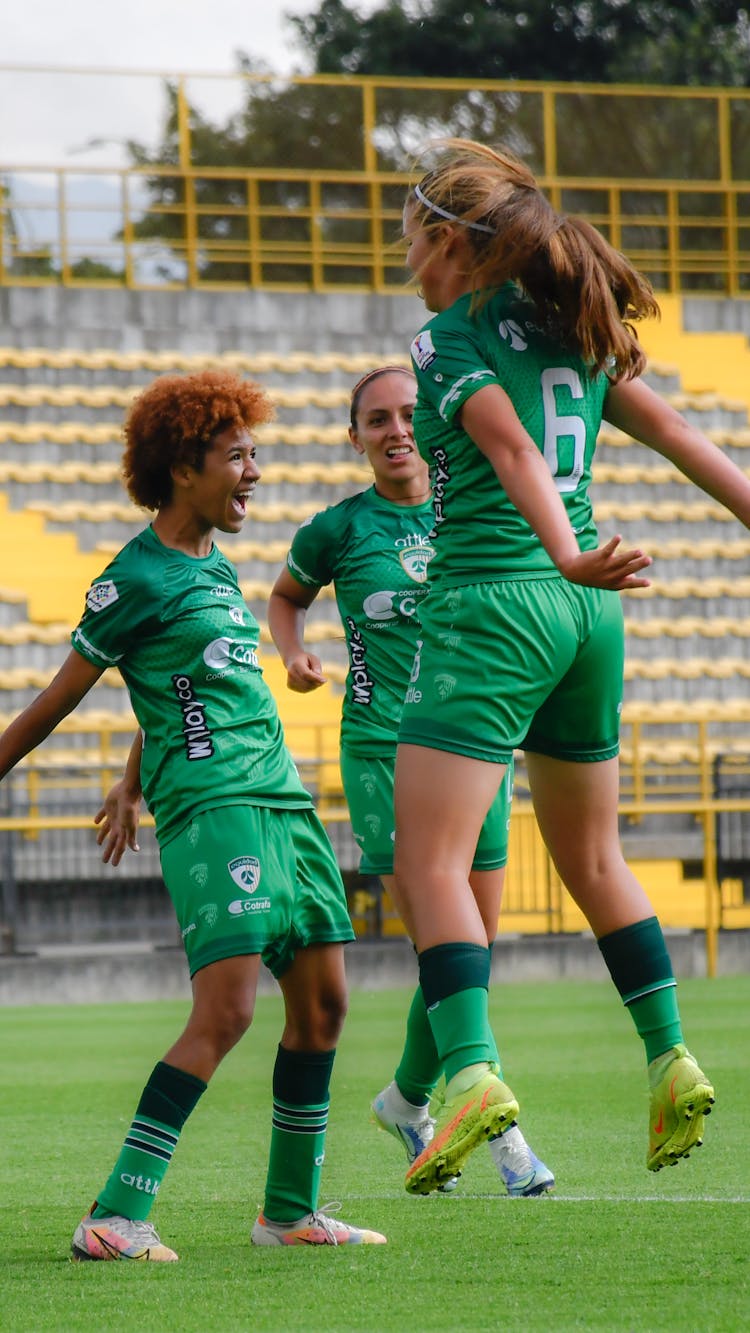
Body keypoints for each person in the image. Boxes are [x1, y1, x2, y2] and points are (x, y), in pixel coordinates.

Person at [387, 137, 750, 1195]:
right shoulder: (577, 330)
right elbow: (682, 432)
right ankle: (670, 1052)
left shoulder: (446, 338)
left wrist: (559, 550)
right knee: (595, 858)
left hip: (499, 601)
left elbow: (509, 449)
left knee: (431, 867)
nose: (405, 248)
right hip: (592, 621)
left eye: (413, 229)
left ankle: (470, 1075)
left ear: (451, 239)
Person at [0, 369, 386, 1256]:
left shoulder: (215, 566)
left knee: (324, 1005)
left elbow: (181, 685)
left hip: (285, 800)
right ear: (183, 466)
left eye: (256, 452)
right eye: (237, 455)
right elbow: (56, 700)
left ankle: (289, 1213)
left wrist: (130, 776)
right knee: (228, 1012)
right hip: (215, 810)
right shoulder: (130, 577)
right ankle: (114, 1214)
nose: (253, 471)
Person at [267, 364, 554, 1197]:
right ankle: (503, 1138)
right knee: (444, 943)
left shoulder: (472, 508)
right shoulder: (337, 529)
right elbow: (286, 599)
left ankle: (403, 1099)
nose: (395, 429)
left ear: (431, 423)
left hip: (475, 744)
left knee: (471, 951)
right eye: (376, 419)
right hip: (386, 753)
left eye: (406, 414)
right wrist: (292, 653)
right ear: (354, 436)